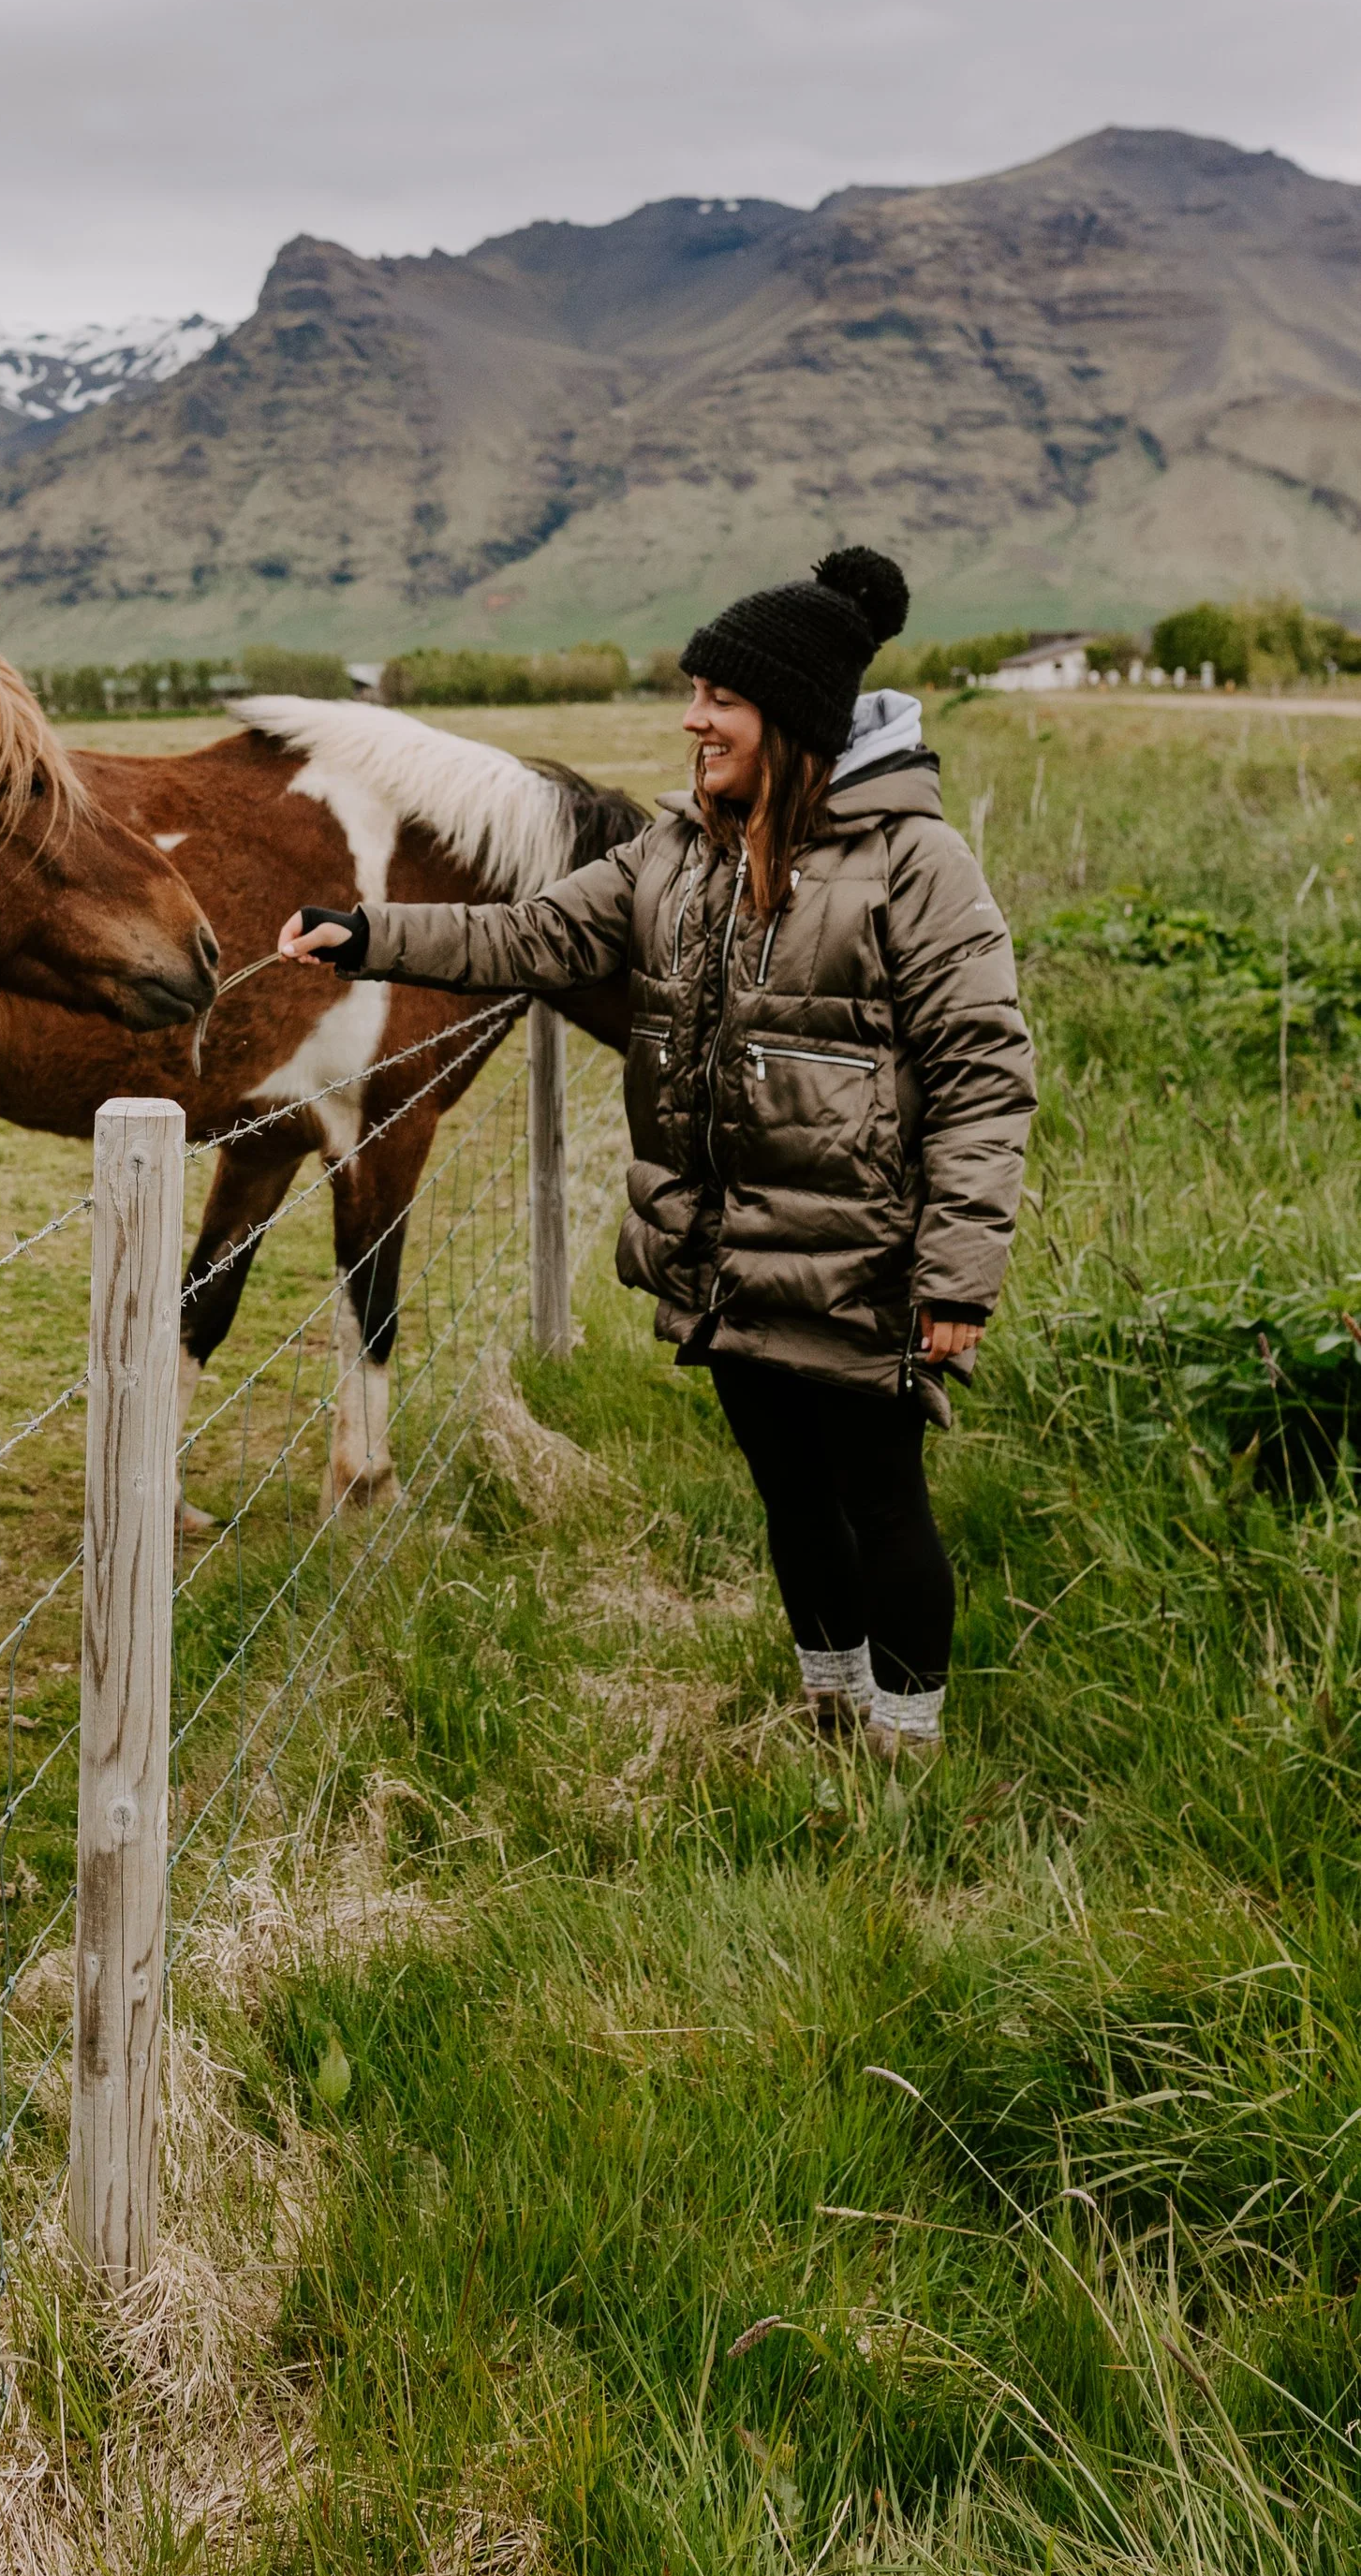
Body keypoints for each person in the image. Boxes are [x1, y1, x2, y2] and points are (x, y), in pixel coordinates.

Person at [278, 547, 1035, 1765]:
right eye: (691, 693)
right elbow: (530, 933)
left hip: (861, 1260)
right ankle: (829, 1708)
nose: (692, 719)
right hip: (722, 1254)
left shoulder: (916, 867)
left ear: (785, 712)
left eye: (717, 698)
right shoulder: (674, 856)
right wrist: (369, 934)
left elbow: (983, 1073)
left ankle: (910, 1753)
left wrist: (956, 1271)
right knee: (791, 1499)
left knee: (881, 1504)